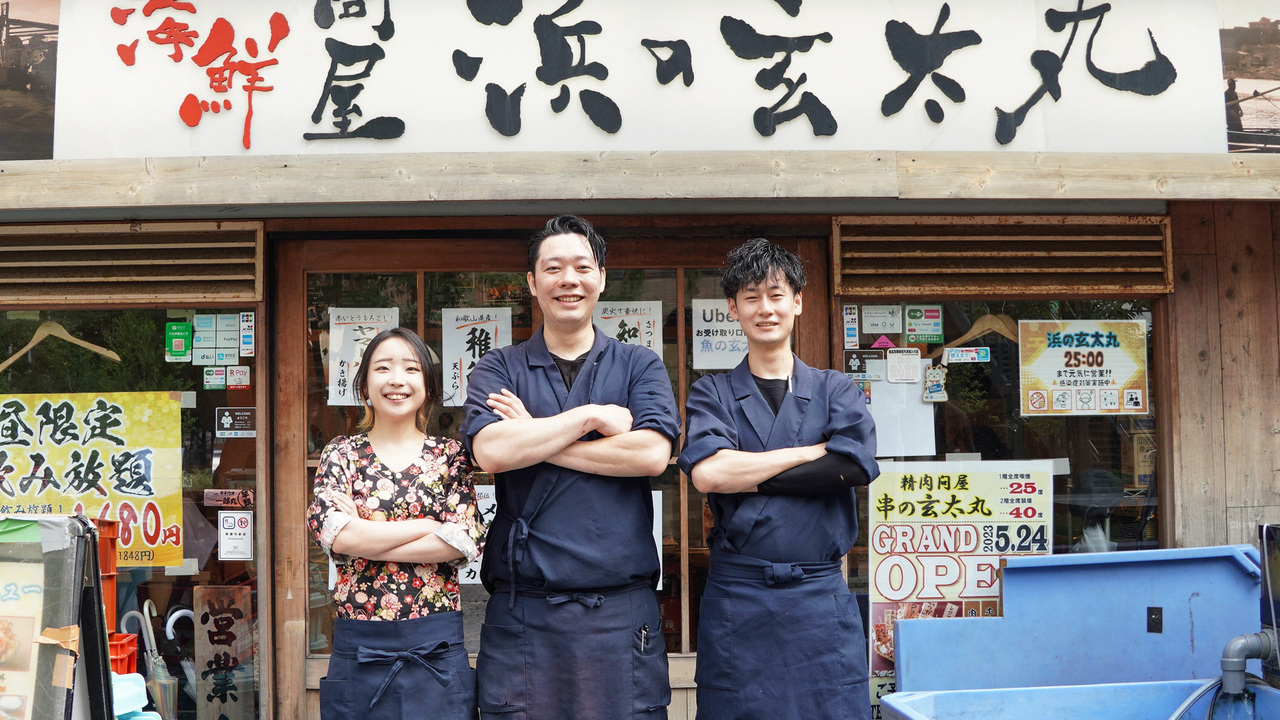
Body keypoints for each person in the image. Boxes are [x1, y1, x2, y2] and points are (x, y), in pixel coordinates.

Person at [462, 214, 680, 719]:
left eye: (582, 266)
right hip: (525, 612)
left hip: (621, 611)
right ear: (532, 283)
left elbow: (650, 454)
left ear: (601, 277)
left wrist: (535, 433)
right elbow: (492, 452)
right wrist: (590, 416)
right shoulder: (499, 366)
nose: (569, 279)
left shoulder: (638, 364)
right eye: (554, 268)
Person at [678, 238, 879, 720]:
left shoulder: (835, 388)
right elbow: (708, 474)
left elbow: (853, 467)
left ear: (798, 302)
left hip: (819, 597)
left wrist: (745, 471)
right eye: (751, 297)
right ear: (733, 308)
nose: (764, 308)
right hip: (739, 598)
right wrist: (809, 454)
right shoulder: (713, 392)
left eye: (775, 294)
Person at [308, 327, 485, 720]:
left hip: (435, 648)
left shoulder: (450, 455)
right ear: (364, 385)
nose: (396, 380)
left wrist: (365, 535)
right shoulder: (342, 454)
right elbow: (336, 533)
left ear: (428, 385)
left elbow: (463, 541)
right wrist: (428, 524)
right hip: (360, 647)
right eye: (382, 368)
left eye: (410, 368)